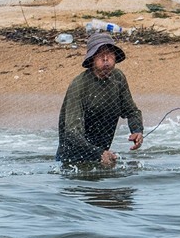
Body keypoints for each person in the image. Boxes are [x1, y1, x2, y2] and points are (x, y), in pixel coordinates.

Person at [56, 32, 144, 168]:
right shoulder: (79, 85)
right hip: (72, 159)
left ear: (115, 57)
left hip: (102, 154)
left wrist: (137, 130)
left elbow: (132, 112)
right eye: (100, 54)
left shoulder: (118, 78)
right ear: (92, 59)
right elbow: (72, 133)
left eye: (109, 53)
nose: (105, 59)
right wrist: (99, 153)